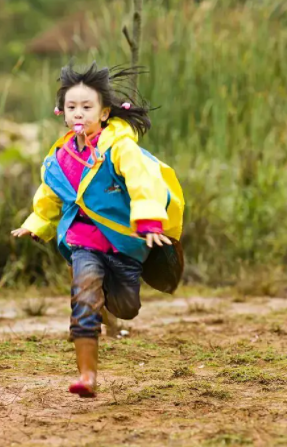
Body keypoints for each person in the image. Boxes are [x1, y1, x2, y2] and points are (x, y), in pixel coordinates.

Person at [12, 63, 184, 397]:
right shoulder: (59, 156)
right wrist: (36, 225)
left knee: (126, 307)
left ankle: (104, 302)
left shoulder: (120, 147)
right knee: (83, 298)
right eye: (72, 107)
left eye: (87, 107)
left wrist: (148, 222)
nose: (79, 114)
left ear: (104, 113)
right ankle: (87, 376)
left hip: (123, 244)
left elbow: (142, 183)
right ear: (62, 113)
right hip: (83, 242)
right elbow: (49, 193)